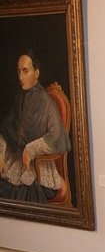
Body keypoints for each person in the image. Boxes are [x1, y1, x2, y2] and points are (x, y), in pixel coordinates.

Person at [0, 51, 70, 202]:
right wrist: (0, 155)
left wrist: (31, 149)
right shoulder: (19, 98)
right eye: (18, 71)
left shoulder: (46, 102)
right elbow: (6, 129)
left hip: (38, 171)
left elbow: (56, 136)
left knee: (21, 195)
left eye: (25, 71)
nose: (20, 77)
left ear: (36, 73)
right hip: (14, 164)